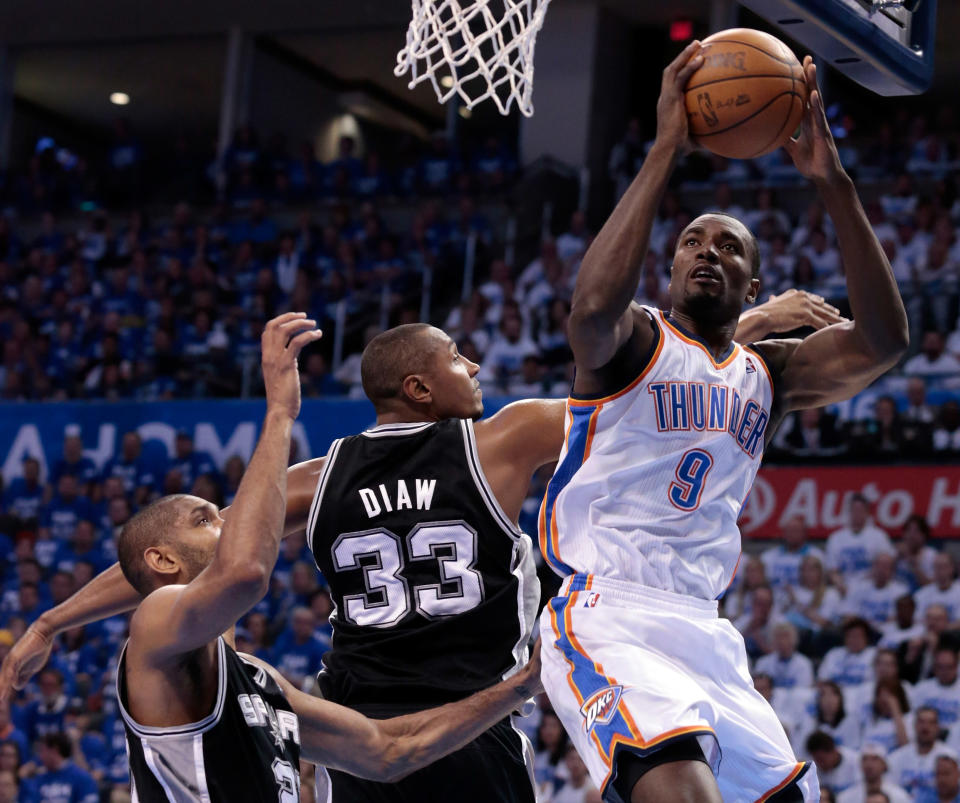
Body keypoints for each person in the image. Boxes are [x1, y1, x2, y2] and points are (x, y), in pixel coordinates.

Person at [2, 312, 836, 800]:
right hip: (466, 725)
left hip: (355, 727)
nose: (475, 364)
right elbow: (640, 390)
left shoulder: (317, 477)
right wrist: (749, 332)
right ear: (421, 389)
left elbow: (197, 553)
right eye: (457, 358)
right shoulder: (504, 438)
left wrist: (54, 617)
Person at [538, 43, 907, 803]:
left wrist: (831, 183)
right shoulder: (635, 342)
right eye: (692, 242)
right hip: (610, 611)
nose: (707, 252)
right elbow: (590, 312)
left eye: (728, 247)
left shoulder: (768, 373)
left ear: (754, 281)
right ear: (670, 267)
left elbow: (884, 342)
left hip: (705, 629)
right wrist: (666, 147)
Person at [16, 313, 544, 802]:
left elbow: (389, 754)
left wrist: (523, 684)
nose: (232, 527)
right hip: (459, 725)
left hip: (404, 729)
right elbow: (236, 569)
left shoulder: (265, 681)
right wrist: (279, 412)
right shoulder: (159, 626)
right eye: (207, 521)